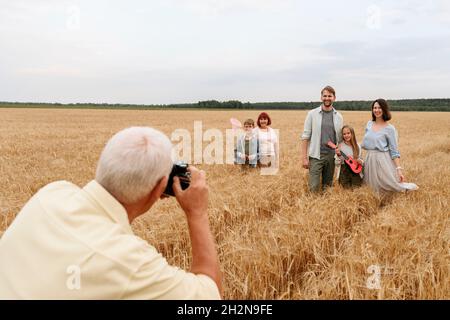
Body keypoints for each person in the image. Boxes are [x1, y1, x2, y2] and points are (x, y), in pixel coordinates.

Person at [0, 127, 222, 299]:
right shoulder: (130, 262)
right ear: (160, 187)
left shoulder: (52, 193)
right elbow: (209, 295)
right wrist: (197, 213)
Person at [361, 99, 418, 194]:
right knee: (370, 188)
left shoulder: (390, 129)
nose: (377, 110)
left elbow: (394, 151)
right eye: (375, 108)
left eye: (379, 108)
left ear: (384, 110)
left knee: (389, 186)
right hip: (369, 159)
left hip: (382, 160)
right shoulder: (369, 124)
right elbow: (365, 143)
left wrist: (399, 170)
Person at [301, 86, 344, 192]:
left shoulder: (339, 116)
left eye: (330, 96)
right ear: (321, 97)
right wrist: (304, 158)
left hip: (331, 157)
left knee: (327, 188)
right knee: (313, 187)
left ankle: (323, 208)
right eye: (325, 96)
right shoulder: (312, 114)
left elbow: (341, 139)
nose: (327, 98)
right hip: (316, 156)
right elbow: (305, 137)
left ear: (334, 98)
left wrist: (341, 155)